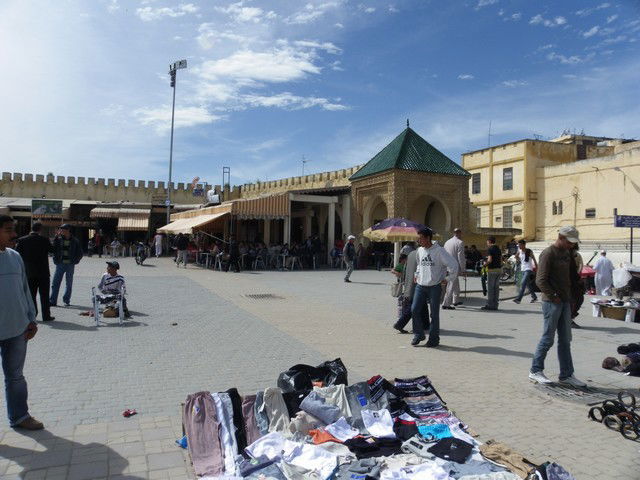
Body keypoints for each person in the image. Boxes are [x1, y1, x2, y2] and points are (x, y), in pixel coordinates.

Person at [0, 215, 44, 430]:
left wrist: (31, 319)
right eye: (8, 230)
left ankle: (19, 416)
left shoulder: (15, 256)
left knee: (16, 377)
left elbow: (25, 291)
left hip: (17, 329)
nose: (14, 235)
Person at [529, 226, 586, 387]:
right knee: (548, 338)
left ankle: (567, 374)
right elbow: (540, 280)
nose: (571, 245)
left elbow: (571, 277)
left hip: (565, 301)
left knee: (566, 339)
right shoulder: (548, 253)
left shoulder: (567, 253)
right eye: (569, 242)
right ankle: (535, 370)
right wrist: (553, 296)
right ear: (561, 237)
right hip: (552, 302)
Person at [410, 227, 458, 348]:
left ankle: (434, 339)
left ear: (428, 238)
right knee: (414, 309)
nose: (418, 241)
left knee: (434, 314)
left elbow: (454, 265)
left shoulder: (439, 251)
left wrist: (447, 279)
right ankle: (418, 334)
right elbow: (419, 265)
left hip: (434, 287)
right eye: (418, 238)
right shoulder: (420, 250)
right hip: (420, 286)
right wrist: (416, 275)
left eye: (420, 238)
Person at [15, 222, 55, 322]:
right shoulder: (44, 240)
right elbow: (52, 250)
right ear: (40, 230)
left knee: (31, 295)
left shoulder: (22, 240)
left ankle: (34, 314)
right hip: (43, 272)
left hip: (29, 273)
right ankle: (46, 316)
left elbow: (17, 254)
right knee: (44, 295)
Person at [50, 224, 83, 307]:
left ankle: (66, 300)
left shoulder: (75, 240)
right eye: (61, 229)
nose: (61, 231)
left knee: (69, 283)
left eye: (63, 229)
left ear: (68, 230)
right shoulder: (58, 239)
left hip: (70, 265)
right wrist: (55, 260)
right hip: (60, 264)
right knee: (55, 283)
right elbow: (53, 250)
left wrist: (75, 261)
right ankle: (53, 301)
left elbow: (80, 253)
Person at [442, 228, 465, 310]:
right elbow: (461, 257)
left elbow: (443, 254)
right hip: (454, 267)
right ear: (459, 233)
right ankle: (446, 303)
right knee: (451, 285)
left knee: (455, 283)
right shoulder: (460, 242)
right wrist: (463, 269)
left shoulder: (447, 242)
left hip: (447, 266)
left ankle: (456, 300)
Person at [513, 239, 538, 304]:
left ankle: (518, 299)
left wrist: (537, 269)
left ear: (524, 245)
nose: (519, 246)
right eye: (518, 245)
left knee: (522, 283)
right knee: (528, 284)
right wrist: (519, 260)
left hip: (528, 269)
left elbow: (534, 260)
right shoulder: (519, 251)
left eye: (520, 245)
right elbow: (516, 256)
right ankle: (534, 297)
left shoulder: (529, 251)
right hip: (523, 269)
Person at [481, 236, 502, 311]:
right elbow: (501, 260)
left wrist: (484, 264)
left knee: (490, 288)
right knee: (496, 288)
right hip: (499, 270)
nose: (487, 243)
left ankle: (490, 305)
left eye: (487, 241)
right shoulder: (498, 249)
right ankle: (495, 305)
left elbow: (490, 260)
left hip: (492, 270)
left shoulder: (490, 249)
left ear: (489, 241)